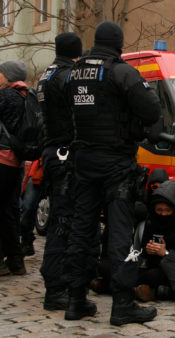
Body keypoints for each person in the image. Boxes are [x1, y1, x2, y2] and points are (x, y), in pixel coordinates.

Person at [62, 21, 160, 325]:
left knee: (81, 229)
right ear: (118, 43)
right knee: (119, 233)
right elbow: (152, 110)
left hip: (83, 160)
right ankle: (122, 305)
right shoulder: (122, 72)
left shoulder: (73, 73)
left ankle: (75, 300)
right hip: (116, 161)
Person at [36, 32, 83, 310]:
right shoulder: (67, 77)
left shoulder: (47, 74)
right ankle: (56, 287)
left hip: (52, 151)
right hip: (65, 154)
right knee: (63, 222)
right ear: (77, 53)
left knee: (60, 219)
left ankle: (59, 282)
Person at [135, 180, 175, 302]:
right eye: (159, 210)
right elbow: (142, 253)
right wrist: (149, 250)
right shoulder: (151, 223)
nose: (163, 214)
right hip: (156, 269)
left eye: (167, 210)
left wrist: (166, 253)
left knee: (166, 261)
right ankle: (162, 291)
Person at [0, 60, 29, 276]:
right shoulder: (26, 95)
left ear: (7, 76)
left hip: (2, 157)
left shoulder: (6, 96)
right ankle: (16, 260)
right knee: (9, 210)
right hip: (16, 160)